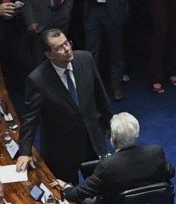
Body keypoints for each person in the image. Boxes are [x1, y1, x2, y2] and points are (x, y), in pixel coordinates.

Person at [64, 112, 175, 204]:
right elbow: (170, 172)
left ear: (113, 138)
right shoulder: (155, 153)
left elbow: (79, 193)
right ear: (137, 133)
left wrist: (65, 188)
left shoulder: (108, 165)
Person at [25, 27, 111, 178]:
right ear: (49, 54)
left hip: (92, 139)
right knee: (67, 193)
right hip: (61, 148)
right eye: (59, 47)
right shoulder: (37, 79)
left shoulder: (86, 59)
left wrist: (110, 125)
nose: (67, 49)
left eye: (67, 43)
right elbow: (30, 118)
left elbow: (100, 95)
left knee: (100, 187)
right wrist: (24, 152)